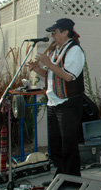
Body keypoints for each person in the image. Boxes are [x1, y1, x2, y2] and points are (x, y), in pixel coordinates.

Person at [28, 18, 85, 177]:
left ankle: (72, 178)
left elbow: (68, 77)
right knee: (55, 144)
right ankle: (61, 175)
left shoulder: (74, 50)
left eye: (55, 32)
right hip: (54, 102)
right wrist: (37, 69)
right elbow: (51, 75)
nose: (52, 35)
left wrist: (48, 62)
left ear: (65, 32)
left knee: (68, 144)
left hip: (68, 103)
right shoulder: (56, 50)